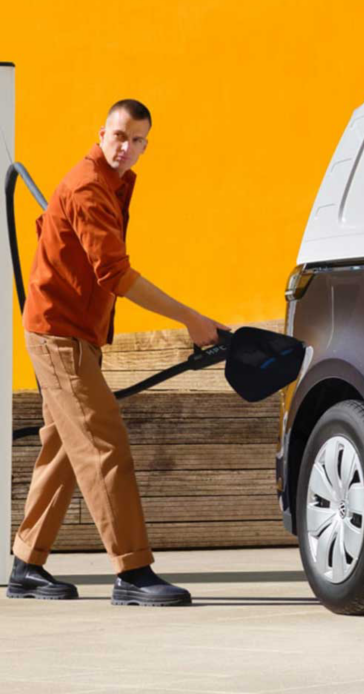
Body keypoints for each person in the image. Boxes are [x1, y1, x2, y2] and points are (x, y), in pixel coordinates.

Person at [7, 99, 229, 607]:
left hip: (73, 332)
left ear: (146, 145)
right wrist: (191, 318)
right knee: (104, 446)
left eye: (137, 141)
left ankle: (25, 564)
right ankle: (133, 572)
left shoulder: (112, 182)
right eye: (119, 136)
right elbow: (116, 274)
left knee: (65, 447)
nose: (126, 148)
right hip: (60, 335)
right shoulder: (88, 186)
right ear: (101, 132)